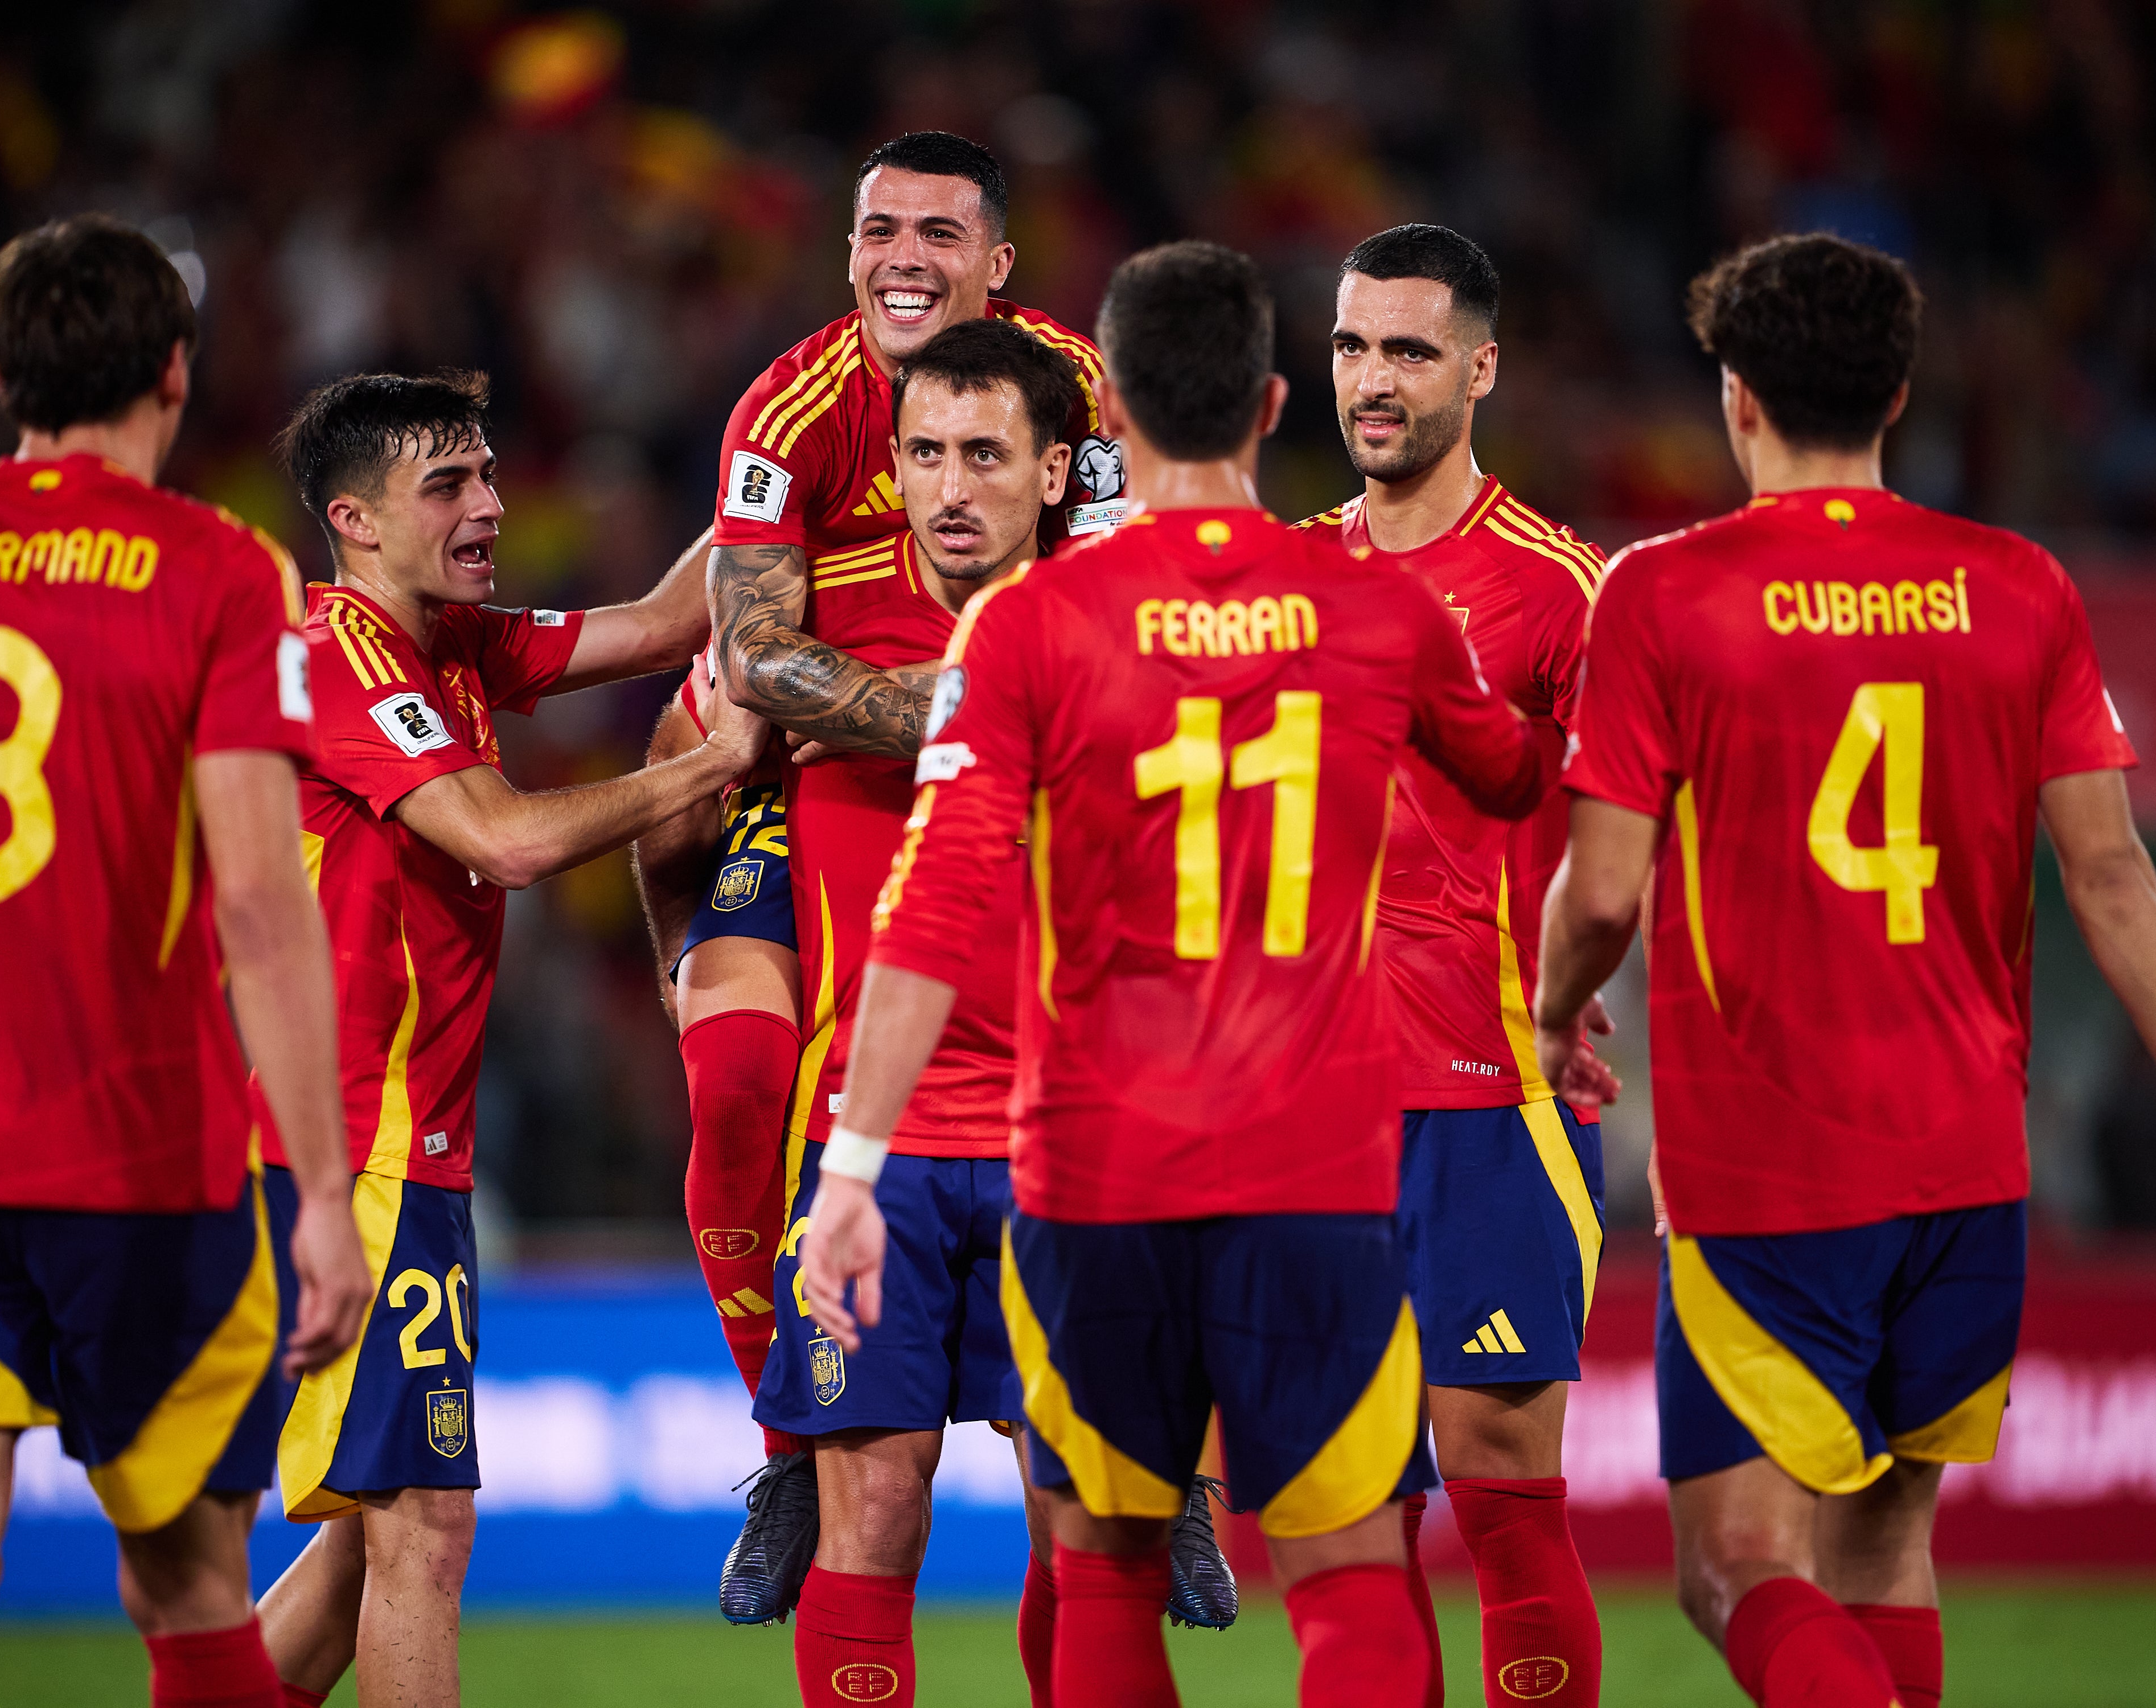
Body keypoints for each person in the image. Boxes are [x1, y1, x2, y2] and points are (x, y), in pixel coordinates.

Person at [803, 239, 1567, 1708]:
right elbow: (1520, 775)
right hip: (1317, 1171)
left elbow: (933, 908)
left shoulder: (1025, 628)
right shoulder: (1379, 609)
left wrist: (851, 1170)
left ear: (1109, 424)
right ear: (1273, 402)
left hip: (1097, 1175)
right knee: (1350, 1578)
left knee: (1104, 1572)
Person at [1533, 232, 2156, 1708]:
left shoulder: (1663, 593)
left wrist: (1550, 1016)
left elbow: (1601, 891)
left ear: (1736, 397)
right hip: (1966, 1162)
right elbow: (2109, 869)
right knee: (1881, 1553)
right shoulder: (2019, 585)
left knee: (1734, 1566)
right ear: (1900, 394)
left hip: (1769, 1169)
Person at [648, 129, 1235, 1635]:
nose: (903, 258)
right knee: (734, 1077)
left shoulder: (1076, 392)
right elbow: (747, 665)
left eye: (937, 232)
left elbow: (1142, 623)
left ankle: (1179, 1464)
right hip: (825, 786)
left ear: (997, 264)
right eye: (878, 230)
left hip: (1028, 807)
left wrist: (991, 707)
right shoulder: (786, 409)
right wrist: (966, 709)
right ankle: (789, 1446)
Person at [0, 214, 372, 1708]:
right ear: (175, 372)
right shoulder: (223, 572)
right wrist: (322, 1194)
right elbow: (261, 903)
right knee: (191, 1598)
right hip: (140, 1163)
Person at [249, 371, 765, 1708]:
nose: (488, 506)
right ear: (355, 521)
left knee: (365, 1549)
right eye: (448, 487)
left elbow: (664, 623)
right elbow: (505, 838)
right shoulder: (342, 654)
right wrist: (709, 767)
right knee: (423, 1527)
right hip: (355, 1150)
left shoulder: (455, 643)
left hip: (404, 1150)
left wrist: (797, 465)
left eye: (486, 475)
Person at [719, 314, 1067, 1708]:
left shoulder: (1112, 611)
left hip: (1067, 1140)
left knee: (1085, 1526)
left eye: (985, 454)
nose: (950, 487)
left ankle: (1186, 1495)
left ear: (1055, 471)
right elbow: (710, 720)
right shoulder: (804, 614)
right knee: (873, 1514)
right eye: (925, 453)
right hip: (874, 1141)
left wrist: (900, 707)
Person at [1300, 223, 1615, 1707]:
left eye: (1410, 352)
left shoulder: (1565, 588)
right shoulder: (1285, 580)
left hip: (1492, 1105)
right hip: (1308, 1121)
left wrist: (1571, 989)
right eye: (1353, 346)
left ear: (1481, 370)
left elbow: (1638, 833)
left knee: (1499, 1488)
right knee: (1350, 1526)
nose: (1373, 381)